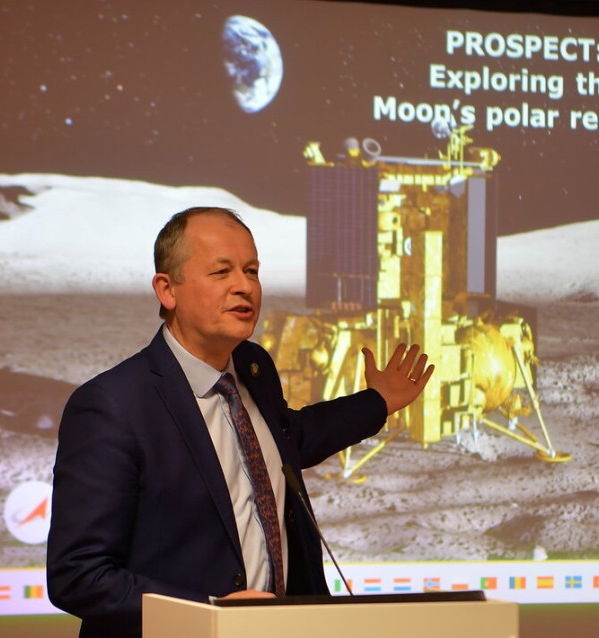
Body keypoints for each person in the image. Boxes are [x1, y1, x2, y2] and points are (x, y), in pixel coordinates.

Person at [47, 206, 434, 638]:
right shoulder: (112, 406)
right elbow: (78, 576)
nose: (244, 286)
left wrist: (378, 402)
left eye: (252, 271)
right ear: (167, 289)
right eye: (221, 272)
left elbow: (287, 440)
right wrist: (210, 613)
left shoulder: (254, 367)